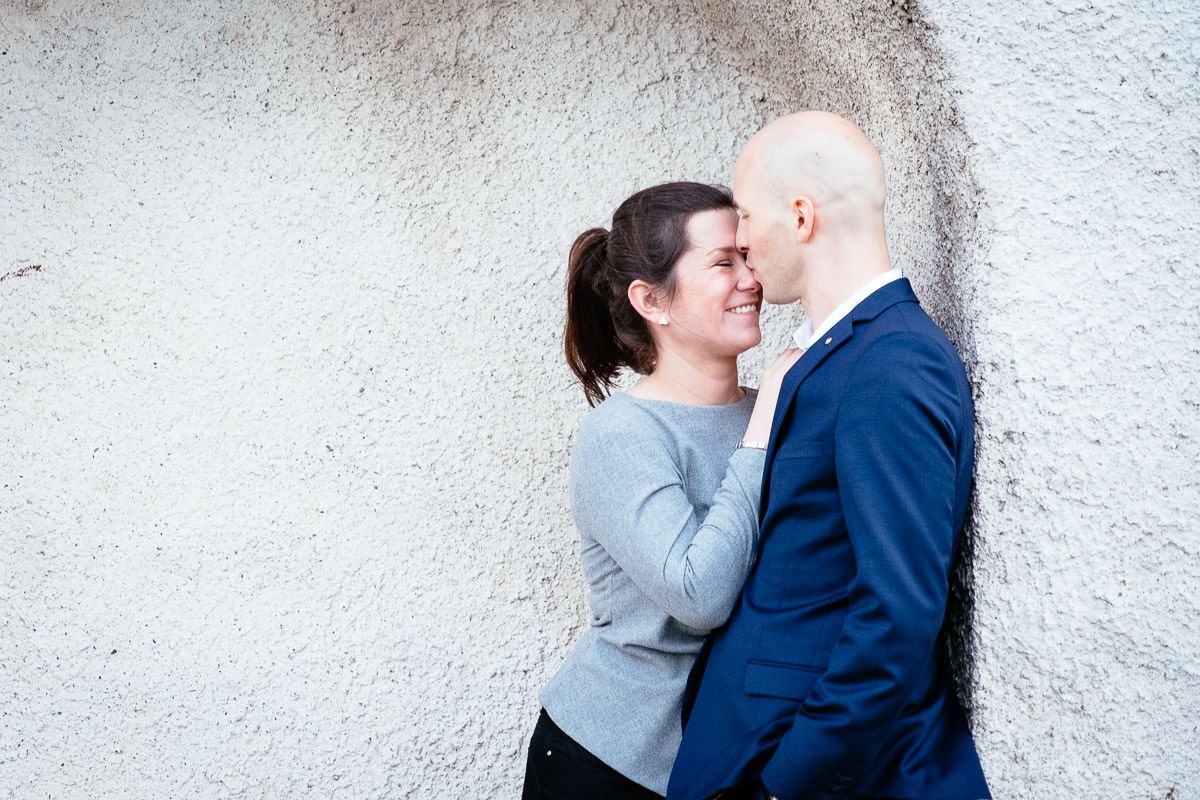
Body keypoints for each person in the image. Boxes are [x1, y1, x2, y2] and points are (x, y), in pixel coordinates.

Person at [667, 112, 991, 800]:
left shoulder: (894, 363)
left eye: (747, 218)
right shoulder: (841, 351)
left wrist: (785, 784)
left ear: (802, 217)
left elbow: (896, 616)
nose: (742, 242)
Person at [522, 182, 802, 800]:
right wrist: (762, 434)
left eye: (747, 255)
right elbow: (698, 596)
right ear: (652, 300)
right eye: (722, 263)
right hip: (609, 765)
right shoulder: (624, 434)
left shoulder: (773, 410)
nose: (750, 278)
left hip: (726, 761)